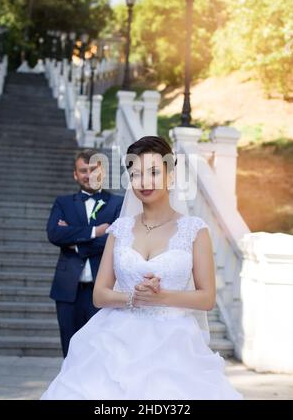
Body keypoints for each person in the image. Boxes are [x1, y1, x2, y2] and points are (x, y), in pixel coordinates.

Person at [41, 137, 242, 400]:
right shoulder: (120, 229)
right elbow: (100, 295)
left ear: (170, 176)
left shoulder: (194, 230)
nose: (144, 181)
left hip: (173, 343)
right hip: (115, 340)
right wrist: (133, 297)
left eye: (154, 172)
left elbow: (206, 298)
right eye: (135, 174)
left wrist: (162, 297)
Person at [46, 149, 123, 357]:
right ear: (75, 174)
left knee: (100, 351)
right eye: (83, 171)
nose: (89, 175)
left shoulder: (118, 204)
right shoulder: (62, 203)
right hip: (67, 289)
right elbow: (54, 234)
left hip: (103, 289)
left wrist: (74, 241)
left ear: (102, 172)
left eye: (93, 170)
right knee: (70, 349)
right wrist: (95, 231)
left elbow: (115, 241)